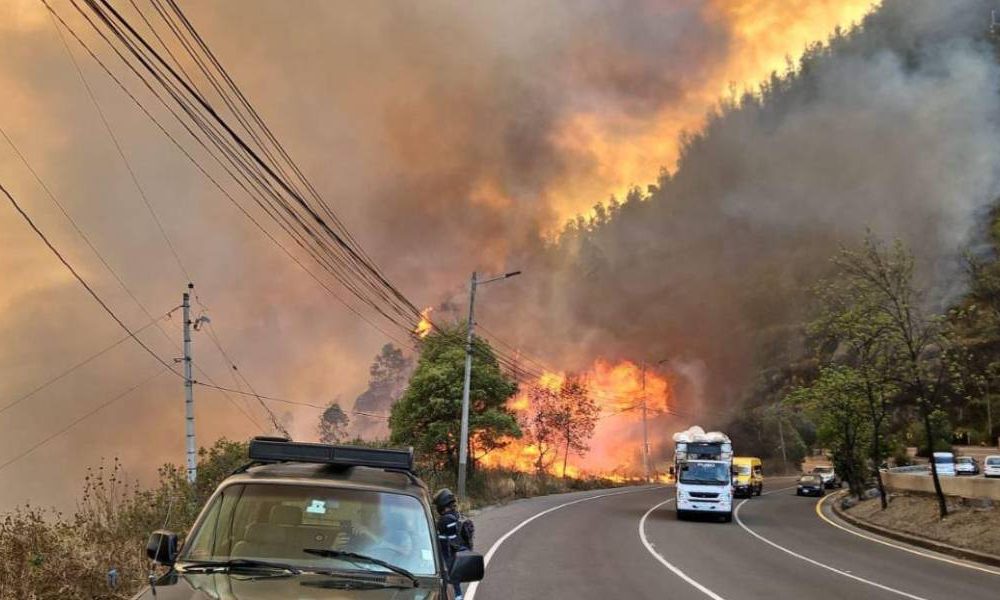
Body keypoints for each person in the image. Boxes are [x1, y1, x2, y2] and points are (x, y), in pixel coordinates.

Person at [433, 488, 469, 600]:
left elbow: (436, 539)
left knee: (442, 583)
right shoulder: (456, 516)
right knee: (455, 584)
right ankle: (458, 596)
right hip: (457, 556)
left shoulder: (445, 520)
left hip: (445, 557)